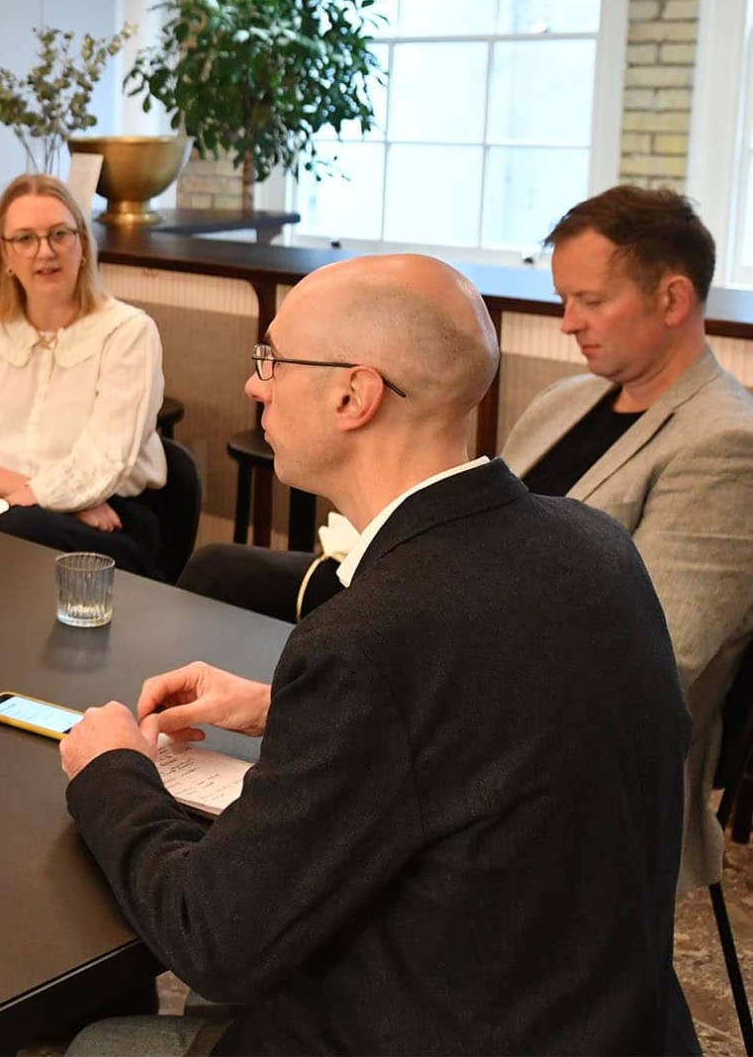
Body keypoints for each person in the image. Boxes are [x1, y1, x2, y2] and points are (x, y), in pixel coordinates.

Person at [60, 254, 697, 1054]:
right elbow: (502, 725)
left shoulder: (372, 636)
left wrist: (113, 769)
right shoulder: (594, 543)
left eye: (271, 360)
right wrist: (281, 706)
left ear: (352, 394)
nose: (256, 385)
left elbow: (214, 936)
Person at [179, 186, 753, 891]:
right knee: (221, 571)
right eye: (563, 298)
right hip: (460, 658)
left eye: (591, 300)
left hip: (570, 778)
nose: (568, 322)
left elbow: (652, 654)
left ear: (672, 299)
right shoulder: (566, 400)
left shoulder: (728, 443)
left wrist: (342, 711)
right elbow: (484, 538)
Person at [0, 173, 169, 577]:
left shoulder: (128, 333)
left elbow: (99, 467)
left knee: (15, 529)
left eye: (59, 234)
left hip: (109, 527)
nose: (45, 252)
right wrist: (41, 495)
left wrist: (8, 506)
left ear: (83, 244)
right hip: (20, 512)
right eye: (25, 239)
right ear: (4, 255)